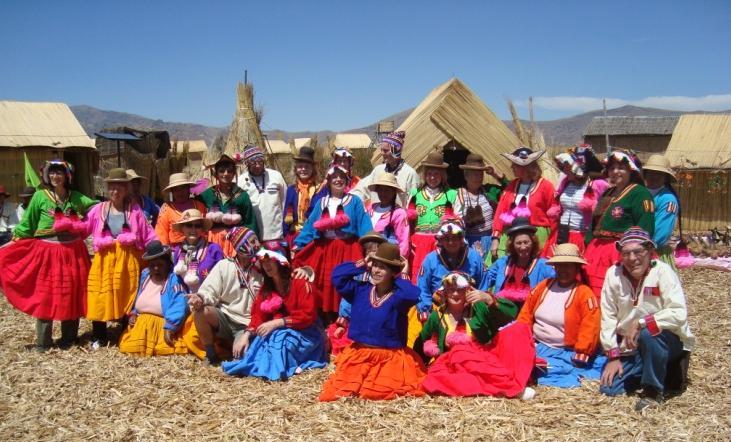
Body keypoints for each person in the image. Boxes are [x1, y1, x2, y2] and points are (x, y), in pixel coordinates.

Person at [0, 160, 97, 351]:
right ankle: (43, 343)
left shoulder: (76, 197)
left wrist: (86, 223)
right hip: (47, 251)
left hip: (73, 252)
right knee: (45, 295)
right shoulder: (39, 197)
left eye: (59, 172)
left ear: (67, 176)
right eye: (52, 172)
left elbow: (96, 208)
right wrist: (11, 243)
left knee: (71, 293)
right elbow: (27, 225)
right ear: (47, 175)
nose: (55, 176)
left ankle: (68, 339)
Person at [599, 227, 694, 412]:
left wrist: (642, 323)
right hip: (632, 345)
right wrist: (612, 356)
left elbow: (678, 313)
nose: (632, 258)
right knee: (609, 388)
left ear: (650, 251)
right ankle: (658, 370)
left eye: (638, 252)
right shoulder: (614, 274)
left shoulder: (663, 272)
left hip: (667, 340)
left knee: (649, 334)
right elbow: (608, 315)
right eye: (626, 253)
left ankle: (652, 391)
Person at [319, 243, 426, 401]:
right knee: (344, 390)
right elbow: (337, 276)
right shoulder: (360, 290)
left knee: (377, 392)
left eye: (382, 267)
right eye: (375, 265)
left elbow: (412, 294)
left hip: (389, 358)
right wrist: (362, 263)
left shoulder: (399, 297)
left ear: (392, 272)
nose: (376, 270)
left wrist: (403, 274)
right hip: (359, 354)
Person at [415, 272, 536, 399]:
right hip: (454, 366)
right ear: (445, 292)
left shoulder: (479, 307)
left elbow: (511, 313)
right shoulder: (437, 316)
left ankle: (513, 386)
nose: (455, 294)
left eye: (460, 290)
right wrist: (421, 362)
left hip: (484, 361)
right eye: (451, 290)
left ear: (468, 291)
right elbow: (422, 341)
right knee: (457, 355)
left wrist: (489, 298)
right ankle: (508, 389)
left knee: (518, 330)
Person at [222, 246, 328, 380]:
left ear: (280, 262)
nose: (266, 266)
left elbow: (307, 315)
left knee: (282, 342)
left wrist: (278, 323)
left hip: (306, 332)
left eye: (270, 261)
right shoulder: (266, 288)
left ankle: (276, 371)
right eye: (263, 262)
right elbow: (258, 316)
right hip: (278, 330)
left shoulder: (300, 282)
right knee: (257, 344)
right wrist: (247, 334)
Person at [85, 168, 157, 347]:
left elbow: (148, 233)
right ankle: (99, 335)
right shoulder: (98, 209)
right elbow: (84, 228)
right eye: (111, 187)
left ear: (126, 189)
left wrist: (159, 250)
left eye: (119, 188)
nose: (115, 192)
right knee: (100, 295)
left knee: (128, 294)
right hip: (104, 260)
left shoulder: (134, 211)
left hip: (128, 260)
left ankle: (126, 333)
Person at [517, 243, 605, 388]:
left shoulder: (584, 294)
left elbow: (591, 326)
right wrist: (521, 338)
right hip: (537, 346)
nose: (563, 270)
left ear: (577, 268)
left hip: (565, 352)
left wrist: (582, 352)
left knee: (544, 369)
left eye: (568, 266)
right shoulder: (543, 287)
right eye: (560, 265)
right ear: (555, 267)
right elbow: (525, 314)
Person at [293, 165, 372, 323]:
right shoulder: (322, 202)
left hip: (348, 248)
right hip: (325, 248)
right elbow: (310, 225)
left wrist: (371, 246)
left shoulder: (354, 201)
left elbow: (364, 224)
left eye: (341, 177)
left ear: (346, 180)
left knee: (347, 281)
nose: (338, 180)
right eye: (334, 177)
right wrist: (299, 244)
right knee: (324, 283)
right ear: (328, 181)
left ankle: (344, 318)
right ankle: (326, 319)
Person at [186, 226, 263, 365]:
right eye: (252, 242)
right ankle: (211, 355)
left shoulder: (262, 267)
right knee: (200, 312)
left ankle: (237, 349)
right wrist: (200, 298)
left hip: (248, 324)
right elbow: (209, 290)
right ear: (241, 245)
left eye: (257, 240)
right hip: (226, 318)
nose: (257, 245)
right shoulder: (224, 266)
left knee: (241, 358)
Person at [411, 214, 490, 347]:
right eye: (447, 239)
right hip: (437, 309)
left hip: (468, 310)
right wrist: (427, 310)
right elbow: (422, 287)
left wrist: (478, 307)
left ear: (462, 238)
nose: (451, 242)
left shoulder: (474, 257)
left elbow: (483, 284)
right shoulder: (430, 259)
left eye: (455, 238)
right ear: (440, 239)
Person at [584, 149, 655, 298]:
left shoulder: (640, 193)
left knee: (622, 293)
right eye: (612, 168)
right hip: (597, 253)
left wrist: (637, 254)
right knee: (597, 293)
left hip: (622, 252)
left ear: (630, 170)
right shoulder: (608, 193)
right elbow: (594, 223)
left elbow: (645, 226)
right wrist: (588, 244)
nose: (615, 171)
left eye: (621, 168)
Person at [119, 240, 202, 357]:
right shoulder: (145, 275)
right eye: (152, 265)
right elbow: (138, 296)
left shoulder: (174, 280)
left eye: (160, 265)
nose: (156, 268)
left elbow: (180, 303)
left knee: (163, 350)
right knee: (127, 348)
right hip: (140, 325)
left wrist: (170, 327)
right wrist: (134, 313)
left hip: (161, 325)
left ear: (168, 264)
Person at [490, 147, 555, 265]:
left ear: (525, 167)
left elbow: (554, 217)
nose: (511, 167)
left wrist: (553, 243)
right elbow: (500, 213)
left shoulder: (546, 187)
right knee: (501, 267)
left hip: (537, 236)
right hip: (510, 233)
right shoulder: (511, 186)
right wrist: (495, 238)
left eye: (514, 165)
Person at [327, 231, 386, 355]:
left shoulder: (387, 276)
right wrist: (363, 263)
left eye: (376, 253)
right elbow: (338, 276)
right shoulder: (360, 276)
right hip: (355, 322)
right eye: (369, 253)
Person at [544, 145, 608, 257]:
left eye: (567, 166)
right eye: (564, 166)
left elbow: (604, 211)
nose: (564, 169)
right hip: (561, 234)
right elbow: (558, 203)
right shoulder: (565, 182)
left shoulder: (598, 184)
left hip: (581, 237)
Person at [407, 151, 457, 282]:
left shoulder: (451, 195)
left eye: (436, 174)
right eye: (429, 174)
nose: (432, 177)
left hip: (440, 243)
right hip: (418, 243)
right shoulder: (415, 194)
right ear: (425, 175)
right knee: (418, 276)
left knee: (439, 276)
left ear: (442, 176)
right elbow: (407, 222)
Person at [485, 218, 555, 308]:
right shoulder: (503, 263)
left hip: (528, 312)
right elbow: (485, 279)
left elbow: (557, 283)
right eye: (518, 243)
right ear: (512, 245)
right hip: (501, 310)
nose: (523, 247)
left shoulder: (543, 265)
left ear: (533, 242)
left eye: (526, 242)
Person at [198, 154, 258, 256]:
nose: (226, 174)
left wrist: (252, 246)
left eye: (230, 171)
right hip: (212, 242)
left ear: (234, 174)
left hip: (236, 241)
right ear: (215, 174)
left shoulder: (242, 196)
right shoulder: (207, 194)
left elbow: (250, 222)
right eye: (221, 171)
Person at [454, 154, 509, 258]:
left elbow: (511, 189)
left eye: (480, 174)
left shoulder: (489, 191)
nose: (478, 177)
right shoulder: (457, 194)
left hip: (490, 241)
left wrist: (496, 175)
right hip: (467, 242)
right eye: (474, 174)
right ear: (466, 175)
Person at [352, 131, 420, 208]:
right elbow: (362, 189)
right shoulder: (378, 170)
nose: (382, 153)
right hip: (378, 216)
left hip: (399, 218)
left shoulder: (409, 173)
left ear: (396, 150)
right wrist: (350, 200)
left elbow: (413, 201)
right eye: (381, 150)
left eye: (386, 150)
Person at [237, 146, 287, 243]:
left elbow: (284, 200)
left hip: (277, 234)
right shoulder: (241, 181)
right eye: (253, 163)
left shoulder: (276, 176)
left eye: (260, 162)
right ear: (247, 164)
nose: (258, 166)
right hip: (253, 237)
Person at [171, 209, 225, 294]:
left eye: (197, 226)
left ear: (202, 229)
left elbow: (223, 278)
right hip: (183, 299)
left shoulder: (213, 249)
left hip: (208, 299)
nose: (193, 229)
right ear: (182, 228)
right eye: (189, 225)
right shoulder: (178, 250)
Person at [642, 154, 680, 270]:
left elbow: (661, 232)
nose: (654, 176)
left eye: (659, 173)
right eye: (651, 172)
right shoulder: (640, 193)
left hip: (654, 253)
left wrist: (642, 249)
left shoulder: (668, 200)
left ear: (666, 177)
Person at [365, 172, 410, 260]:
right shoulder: (371, 208)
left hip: (387, 258)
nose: (383, 193)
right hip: (368, 255)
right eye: (380, 189)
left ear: (394, 192)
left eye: (387, 190)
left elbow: (403, 241)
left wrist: (400, 261)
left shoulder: (398, 213)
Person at [156, 172, 207, 247]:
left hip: (201, 249)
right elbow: (161, 235)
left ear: (188, 189)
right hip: (176, 253)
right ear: (172, 192)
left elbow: (206, 231)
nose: (180, 192)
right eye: (176, 189)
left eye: (183, 188)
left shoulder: (200, 206)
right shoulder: (166, 210)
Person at [282, 146, 318, 247]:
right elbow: (286, 214)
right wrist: (285, 236)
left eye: (307, 167)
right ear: (296, 169)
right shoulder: (291, 190)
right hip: (294, 236)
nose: (303, 169)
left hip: (313, 237)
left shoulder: (319, 190)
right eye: (300, 166)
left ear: (312, 169)